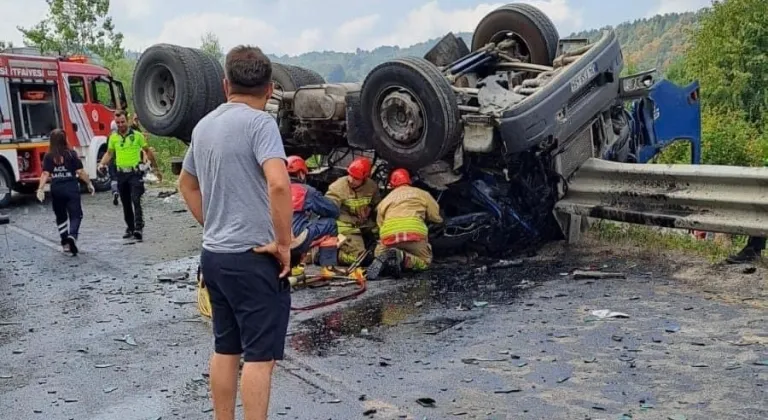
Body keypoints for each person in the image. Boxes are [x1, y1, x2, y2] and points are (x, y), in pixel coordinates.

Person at [177, 45, 293, 420]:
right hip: (253, 258)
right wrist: (284, 244)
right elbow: (278, 185)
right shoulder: (261, 124)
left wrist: (211, 224)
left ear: (226, 85)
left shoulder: (204, 125)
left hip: (214, 258)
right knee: (260, 358)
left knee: (226, 348)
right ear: (270, 89)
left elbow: (186, 184)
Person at [367, 168, 443, 280]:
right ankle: (402, 257)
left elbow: (380, 224)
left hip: (389, 236)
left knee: (379, 255)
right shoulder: (422, 194)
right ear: (409, 181)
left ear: (392, 184)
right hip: (413, 235)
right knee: (424, 262)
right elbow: (435, 216)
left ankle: (388, 260)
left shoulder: (385, 201)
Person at [98, 110, 161, 242]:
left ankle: (138, 227)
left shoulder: (137, 136)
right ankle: (130, 227)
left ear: (127, 120)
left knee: (135, 199)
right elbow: (109, 153)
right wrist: (102, 164)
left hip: (134, 173)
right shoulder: (113, 138)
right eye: (118, 123)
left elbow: (147, 151)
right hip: (121, 173)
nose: (120, 125)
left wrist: (156, 169)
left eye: (122, 122)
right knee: (125, 202)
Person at [36, 129, 95, 255]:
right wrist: (89, 183)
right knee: (76, 215)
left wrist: (40, 189)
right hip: (71, 188)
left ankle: (65, 243)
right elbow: (80, 172)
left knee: (60, 216)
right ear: (64, 140)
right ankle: (72, 236)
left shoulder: (48, 156)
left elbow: (45, 173)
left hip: (56, 189)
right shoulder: (71, 154)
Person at [325, 157, 381, 266]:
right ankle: (332, 255)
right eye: (350, 175)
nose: (351, 180)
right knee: (361, 257)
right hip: (346, 226)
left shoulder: (372, 186)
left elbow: (377, 203)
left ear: (365, 178)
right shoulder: (337, 187)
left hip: (364, 224)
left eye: (356, 178)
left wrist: (369, 208)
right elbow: (328, 209)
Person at [286, 155, 340, 267]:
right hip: (295, 241)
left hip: (272, 241)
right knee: (330, 223)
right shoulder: (306, 191)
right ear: (301, 174)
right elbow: (332, 211)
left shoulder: (269, 189)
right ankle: (327, 266)